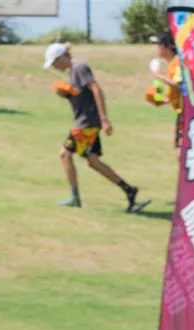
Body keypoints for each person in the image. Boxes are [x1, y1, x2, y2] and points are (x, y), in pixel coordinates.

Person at [43, 42, 145, 213]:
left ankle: (75, 197)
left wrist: (104, 119)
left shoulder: (79, 68)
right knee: (92, 161)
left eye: (54, 62)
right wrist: (67, 95)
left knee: (65, 154)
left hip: (86, 124)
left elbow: (96, 90)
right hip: (88, 122)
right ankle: (128, 189)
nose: (54, 66)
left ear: (62, 57)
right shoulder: (73, 71)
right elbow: (82, 97)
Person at [145, 32, 183, 149]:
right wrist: (164, 100)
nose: (156, 48)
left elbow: (178, 85)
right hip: (181, 111)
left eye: (158, 44)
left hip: (185, 112)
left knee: (182, 149)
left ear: (166, 46)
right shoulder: (172, 64)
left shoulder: (177, 62)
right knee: (180, 147)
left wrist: (158, 75)